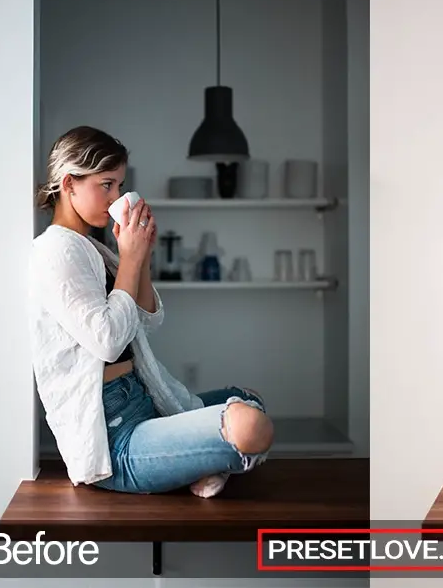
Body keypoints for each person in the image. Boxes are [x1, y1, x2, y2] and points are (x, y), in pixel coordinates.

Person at [28, 126, 274, 498]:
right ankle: (204, 460)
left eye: (120, 185)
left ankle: (199, 460)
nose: (116, 196)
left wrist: (140, 256)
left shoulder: (93, 249)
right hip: (115, 437)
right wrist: (129, 256)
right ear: (69, 184)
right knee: (251, 424)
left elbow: (146, 319)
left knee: (248, 398)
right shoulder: (55, 251)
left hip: (142, 398)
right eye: (106, 185)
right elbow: (109, 342)